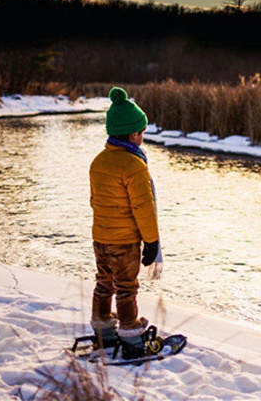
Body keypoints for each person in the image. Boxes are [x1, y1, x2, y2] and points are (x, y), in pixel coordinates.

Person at [88, 86, 161, 359]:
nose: (143, 136)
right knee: (126, 288)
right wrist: (151, 242)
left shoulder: (98, 161)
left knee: (104, 283)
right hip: (125, 241)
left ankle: (103, 332)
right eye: (142, 132)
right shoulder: (134, 166)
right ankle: (131, 335)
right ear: (133, 134)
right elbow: (143, 208)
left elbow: (94, 200)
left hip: (100, 238)